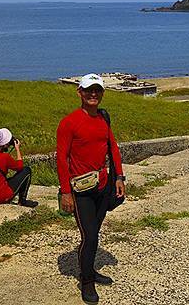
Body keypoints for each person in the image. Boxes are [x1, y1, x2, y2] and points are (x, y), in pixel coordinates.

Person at [57, 73, 125, 304]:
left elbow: (113, 149)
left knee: (94, 235)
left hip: (103, 186)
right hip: (81, 190)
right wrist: (66, 192)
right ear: (80, 93)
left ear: (102, 93)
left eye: (97, 90)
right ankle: (86, 281)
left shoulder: (103, 119)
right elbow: (61, 159)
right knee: (90, 235)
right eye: (88, 90)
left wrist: (119, 177)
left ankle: (90, 270)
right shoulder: (69, 122)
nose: (93, 94)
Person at [0, 128, 38, 207]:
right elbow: (20, 167)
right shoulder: (4, 157)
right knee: (26, 170)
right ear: (3, 144)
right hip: (1, 197)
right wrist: (17, 149)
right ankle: (22, 201)